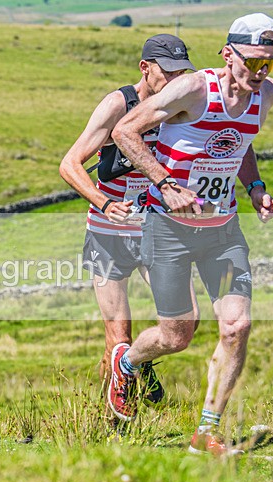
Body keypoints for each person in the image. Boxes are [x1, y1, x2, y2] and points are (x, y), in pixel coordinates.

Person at [109, 13, 273, 455]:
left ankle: (207, 432)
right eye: (253, 62)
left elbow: (240, 144)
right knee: (177, 335)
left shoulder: (268, 94)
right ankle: (127, 363)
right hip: (167, 229)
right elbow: (124, 131)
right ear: (228, 54)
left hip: (222, 232)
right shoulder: (193, 90)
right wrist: (165, 184)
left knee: (237, 326)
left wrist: (256, 189)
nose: (260, 72)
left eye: (270, 63)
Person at [59, 34, 196, 403]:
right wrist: (104, 203)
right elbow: (69, 164)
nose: (176, 79)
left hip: (156, 229)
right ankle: (115, 421)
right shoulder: (118, 105)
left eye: (181, 72)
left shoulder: (183, 103)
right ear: (144, 68)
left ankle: (139, 359)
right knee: (117, 336)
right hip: (108, 233)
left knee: (185, 321)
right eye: (168, 72)